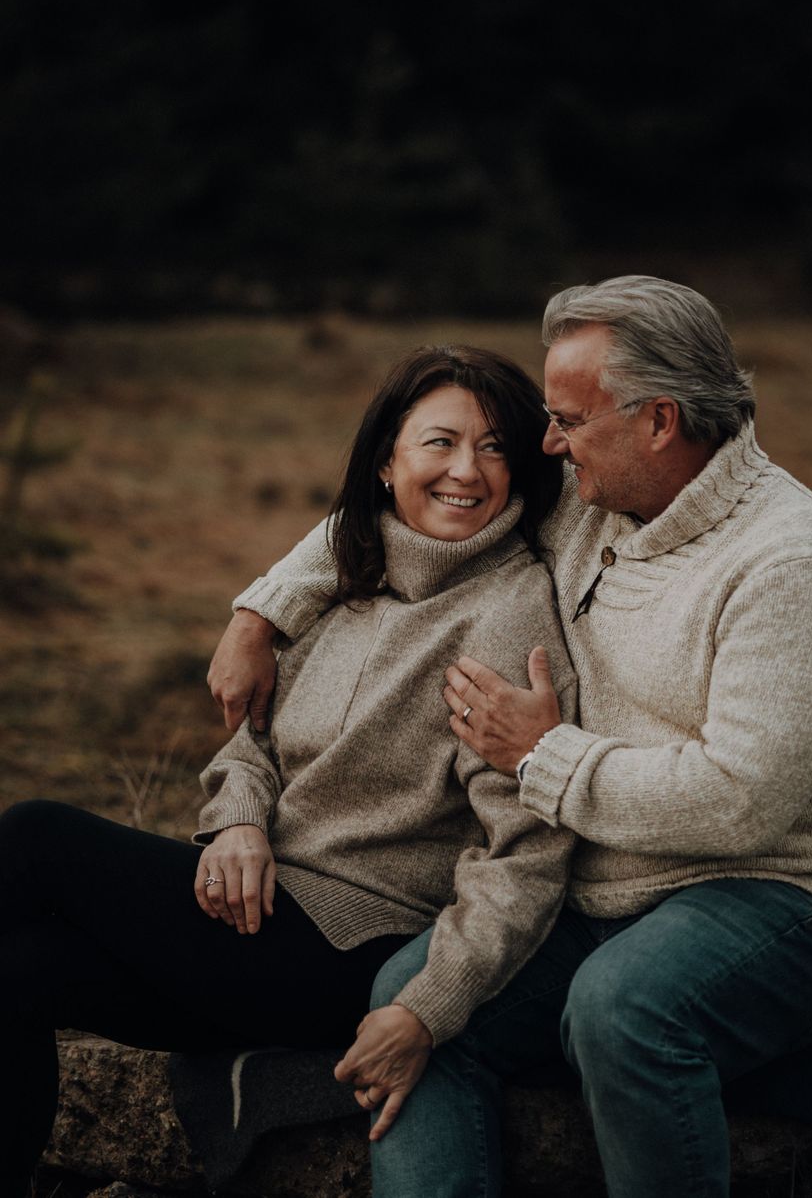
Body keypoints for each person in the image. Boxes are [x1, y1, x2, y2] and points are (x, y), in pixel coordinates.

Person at [211, 277, 812, 1198]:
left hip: (789, 892)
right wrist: (259, 613)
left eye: (569, 419)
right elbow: (408, 495)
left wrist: (544, 755)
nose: (546, 442)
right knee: (418, 1000)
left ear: (658, 420)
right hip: (611, 889)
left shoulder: (797, 565)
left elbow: (739, 802)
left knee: (624, 1005)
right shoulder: (591, 497)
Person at [0, 344, 578, 1195]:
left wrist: (430, 1002)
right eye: (441, 442)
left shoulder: (508, 614)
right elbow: (254, 743)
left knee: (34, 836)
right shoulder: (348, 582)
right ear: (386, 463)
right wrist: (238, 819)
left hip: (358, 943)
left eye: (494, 447)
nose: (467, 469)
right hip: (259, 911)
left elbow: (525, 852)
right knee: (21, 971)